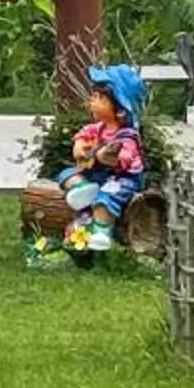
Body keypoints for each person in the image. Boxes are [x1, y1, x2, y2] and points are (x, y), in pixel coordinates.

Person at [57, 65, 148, 252]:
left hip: (121, 179)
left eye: (100, 98)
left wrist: (104, 155)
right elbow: (82, 137)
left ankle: (101, 231)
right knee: (66, 174)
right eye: (94, 97)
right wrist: (79, 148)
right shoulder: (97, 128)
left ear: (120, 109)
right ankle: (82, 189)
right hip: (97, 176)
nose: (92, 101)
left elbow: (121, 160)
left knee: (105, 198)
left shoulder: (127, 135)